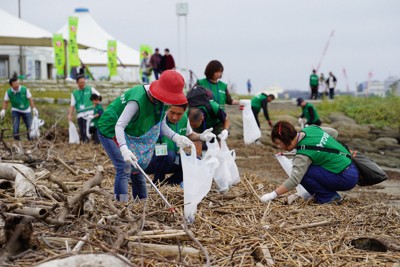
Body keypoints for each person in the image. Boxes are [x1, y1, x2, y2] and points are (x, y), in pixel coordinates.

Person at [97, 70, 193, 202]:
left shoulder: (162, 102)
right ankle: (120, 204)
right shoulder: (137, 100)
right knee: (124, 166)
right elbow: (119, 126)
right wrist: (124, 149)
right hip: (110, 129)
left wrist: (176, 137)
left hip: (129, 132)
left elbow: (161, 125)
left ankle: (141, 204)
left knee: (137, 169)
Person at [260, 121, 359, 204]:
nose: (279, 147)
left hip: (346, 179)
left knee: (304, 173)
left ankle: (329, 198)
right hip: (352, 166)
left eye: (279, 143)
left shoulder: (302, 156)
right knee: (311, 165)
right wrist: (322, 150)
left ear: (286, 139)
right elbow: (334, 133)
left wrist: (272, 195)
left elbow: (294, 181)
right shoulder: (311, 129)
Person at [139, 104, 215, 186]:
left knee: (195, 161)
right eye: (172, 112)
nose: (175, 117)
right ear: (167, 109)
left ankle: (168, 184)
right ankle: (157, 182)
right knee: (168, 155)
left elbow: (190, 134)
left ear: (184, 111)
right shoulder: (158, 118)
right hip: (150, 160)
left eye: (179, 114)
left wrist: (201, 136)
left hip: (172, 158)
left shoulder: (185, 119)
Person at [68, 75, 101, 144]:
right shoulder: (74, 93)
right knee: (82, 129)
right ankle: (84, 142)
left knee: (89, 129)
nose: (82, 84)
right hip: (80, 114)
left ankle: (91, 142)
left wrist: (95, 103)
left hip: (89, 112)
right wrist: (70, 115)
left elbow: (99, 96)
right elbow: (72, 105)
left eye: (83, 82)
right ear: (77, 83)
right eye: (81, 82)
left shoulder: (90, 89)